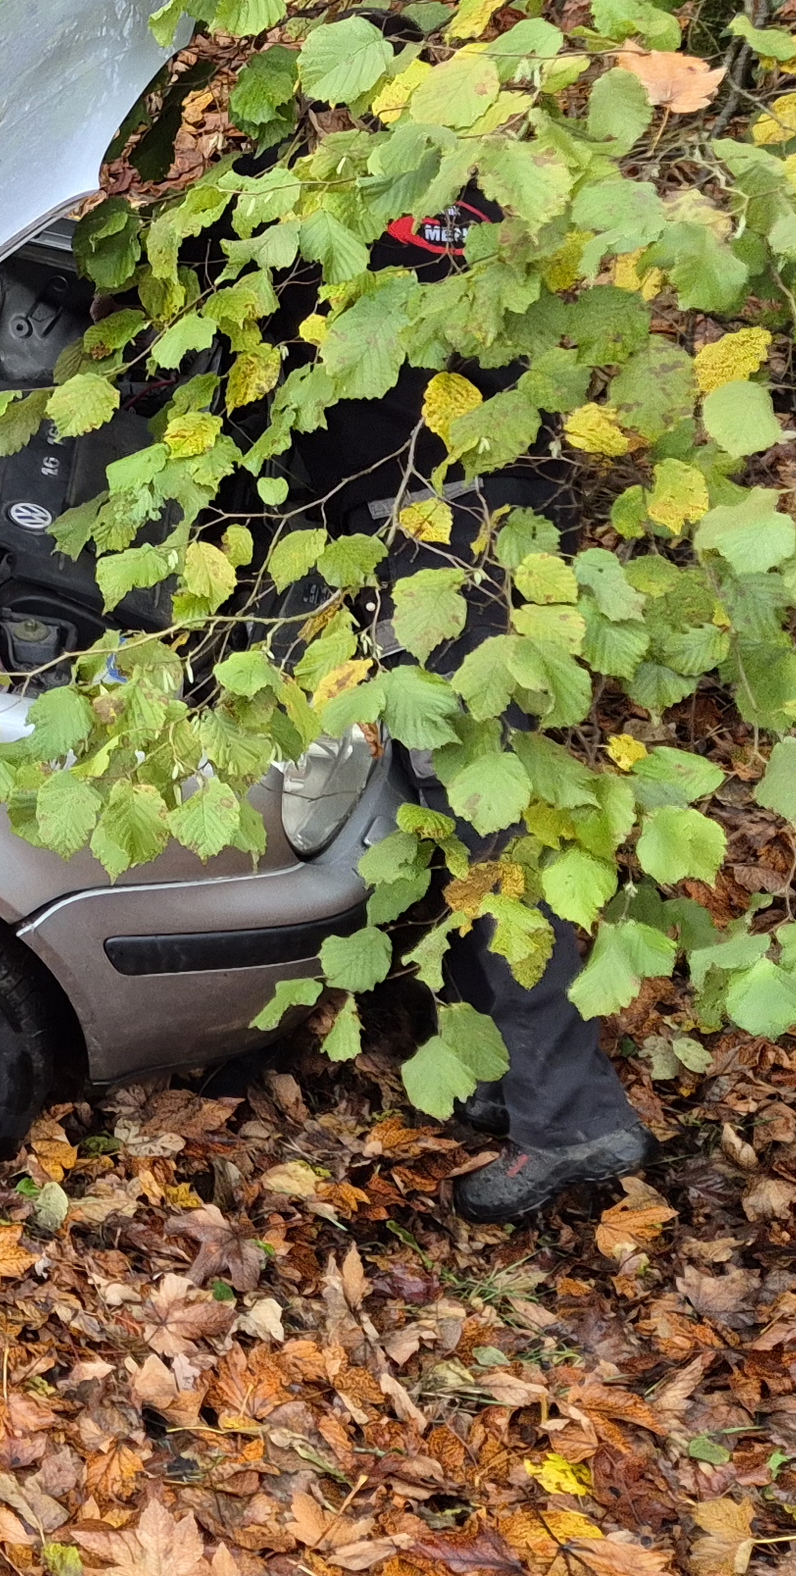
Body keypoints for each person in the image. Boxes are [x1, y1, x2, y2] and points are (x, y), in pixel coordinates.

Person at [253, 186, 651, 1223]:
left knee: (488, 836)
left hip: (442, 549)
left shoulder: (359, 243)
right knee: (449, 823)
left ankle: (571, 1120)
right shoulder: (470, 210)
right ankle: (501, 1073)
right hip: (493, 534)